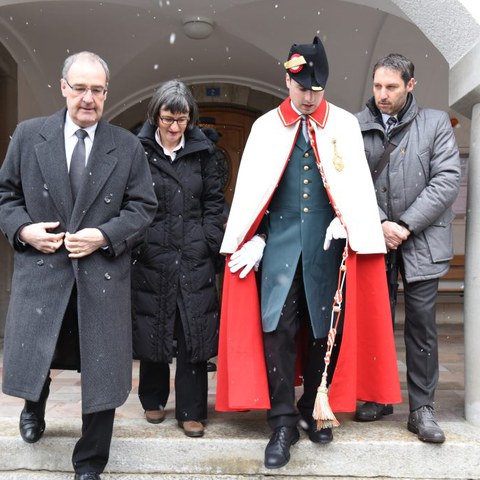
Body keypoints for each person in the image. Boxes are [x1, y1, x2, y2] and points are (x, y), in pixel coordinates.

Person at [216, 37, 401, 469]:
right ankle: (281, 421)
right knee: (277, 331)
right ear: (288, 80)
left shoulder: (343, 125)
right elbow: (254, 195)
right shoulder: (264, 127)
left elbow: (355, 188)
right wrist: (256, 237)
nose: (309, 98)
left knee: (324, 331)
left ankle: (314, 407)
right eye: (302, 89)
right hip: (277, 247)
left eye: (316, 90)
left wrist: (349, 220)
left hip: (328, 245)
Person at [0, 52, 157, 480]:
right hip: (44, 268)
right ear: (64, 87)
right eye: (81, 88)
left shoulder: (125, 145)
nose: (89, 98)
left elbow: (144, 207)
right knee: (42, 350)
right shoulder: (30, 135)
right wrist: (24, 231)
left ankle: (90, 461)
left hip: (100, 274)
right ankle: (34, 406)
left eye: (98, 90)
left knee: (102, 366)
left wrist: (105, 235)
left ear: (107, 93)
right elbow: (5, 197)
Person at [354, 53, 461, 444]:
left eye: (392, 87)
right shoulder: (355, 125)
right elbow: (349, 180)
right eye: (378, 86)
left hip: (421, 240)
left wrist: (402, 224)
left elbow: (447, 181)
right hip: (373, 239)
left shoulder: (435, 124)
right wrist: (380, 222)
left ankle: (422, 409)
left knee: (421, 330)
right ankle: (378, 397)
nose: (382, 94)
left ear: (410, 85)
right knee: (374, 323)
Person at [131, 80, 225, 438]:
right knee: (154, 323)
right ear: (155, 115)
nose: (174, 127)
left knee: (192, 332)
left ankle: (191, 409)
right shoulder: (137, 150)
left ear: (190, 118)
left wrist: (208, 241)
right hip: (151, 253)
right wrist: (140, 243)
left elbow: (214, 203)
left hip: (193, 253)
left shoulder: (205, 153)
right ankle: (153, 400)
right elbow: (130, 201)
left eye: (182, 119)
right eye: (168, 119)